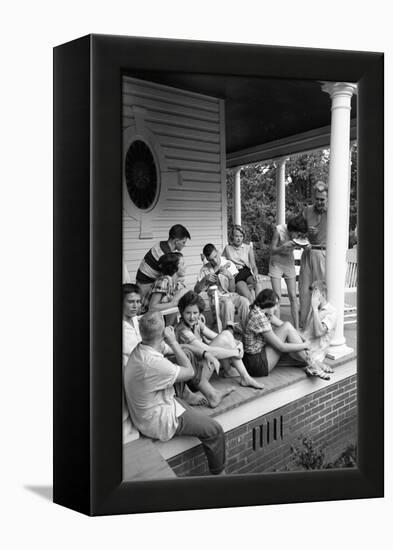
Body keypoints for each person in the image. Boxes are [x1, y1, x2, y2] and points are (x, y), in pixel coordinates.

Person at [124, 311, 226, 475]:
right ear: (163, 333)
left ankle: (192, 396)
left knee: (186, 354)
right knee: (214, 430)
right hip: (159, 419)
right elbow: (190, 372)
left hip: (156, 404)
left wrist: (206, 353)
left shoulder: (144, 346)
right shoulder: (153, 363)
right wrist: (172, 340)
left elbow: (182, 350)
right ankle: (220, 477)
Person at [175, 291, 264, 395]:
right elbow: (208, 351)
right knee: (223, 339)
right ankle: (236, 373)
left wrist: (238, 343)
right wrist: (235, 352)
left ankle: (240, 375)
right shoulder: (183, 331)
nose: (192, 317)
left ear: (199, 313)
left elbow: (215, 336)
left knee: (226, 334)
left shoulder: (196, 323)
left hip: (201, 366)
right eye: (188, 313)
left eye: (195, 313)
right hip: (195, 379)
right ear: (182, 312)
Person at [242, 289, 330, 380]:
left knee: (296, 352)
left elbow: (284, 326)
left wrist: (303, 338)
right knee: (296, 350)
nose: (276, 309)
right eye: (275, 305)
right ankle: (313, 363)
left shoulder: (261, 311)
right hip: (256, 363)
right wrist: (304, 345)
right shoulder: (259, 317)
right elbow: (281, 347)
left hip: (260, 354)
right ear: (267, 304)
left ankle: (312, 363)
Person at [195, 243, 250, 332]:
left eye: (216, 256)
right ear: (207, 259)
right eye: (211, 260)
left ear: (217, 251)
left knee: (245, 301)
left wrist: (231, 277)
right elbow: (196, 290)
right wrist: (204, 280)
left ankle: (248, 330)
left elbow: (232, 290)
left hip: (230, 295)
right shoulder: (205, 269)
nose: (215, 261)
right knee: (227, 303)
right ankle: (228, 332)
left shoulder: (228, 264)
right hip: (217, 298)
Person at [269, 214, 308, 329]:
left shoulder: (299, 234)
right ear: (291, 230)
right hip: (276, 263)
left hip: (288, 263)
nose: (298, 236)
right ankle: (278, 329)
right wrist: (284, 246)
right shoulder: (279, 230)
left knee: (293, 296)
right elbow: (272, 250)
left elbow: (304, 244)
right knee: (277, 297)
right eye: (297, 233)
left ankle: (296, 328)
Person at [299, 182, 328, 328]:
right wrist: (306, 233)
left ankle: (321, 326)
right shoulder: (307, 210)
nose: (319, 202)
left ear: (328, 198)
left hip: (323, 254)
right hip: (308, 252)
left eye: (322, 199)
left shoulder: (333, 210)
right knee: (304, 291)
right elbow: (296, 230)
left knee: (320, 291)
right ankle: (304, 327)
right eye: (317, 199)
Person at [136, 224, 191, 299]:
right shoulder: (165, 254)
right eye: (183, 242)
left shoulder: (162, 244)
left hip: (143, 281)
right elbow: (169, 277)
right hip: (145, 284)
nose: (184, 245)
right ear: (177, 241)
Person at [301, 280, 337, 374]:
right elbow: (306, 332)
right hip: (303, 347)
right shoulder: (314, 308)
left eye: (315, 295)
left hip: (313, 353)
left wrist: (314, 309)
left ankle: (315, 364)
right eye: (311, 295)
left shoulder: (331, 312)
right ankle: (315, 365)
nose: (312, 298)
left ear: (323, 294)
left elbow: (318, 333)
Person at [143, 252, 189, 321]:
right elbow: (152, 307)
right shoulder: (163, 281)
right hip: (146, 322)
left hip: (160, 320)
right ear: (174, 267)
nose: (185, 267)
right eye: (182, 264)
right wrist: (174, 303)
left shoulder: (177, 284)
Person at [223, 225, 262, 302]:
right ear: (232, 237)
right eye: (236, 236)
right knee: (249, 297)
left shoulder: (248, 248)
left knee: (258, 283)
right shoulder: (228, 248)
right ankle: (255, 310)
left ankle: (259, 307)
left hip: (246, 272)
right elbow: (221, 261)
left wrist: (256, 274)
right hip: (236, 274)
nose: (239, 239)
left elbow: (253, 266)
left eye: (241, 236)